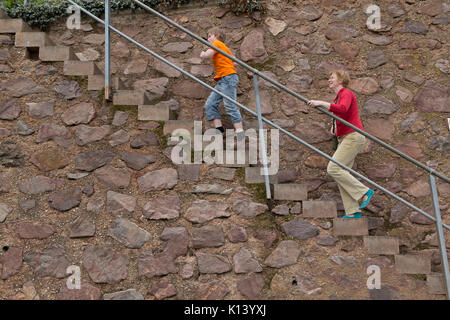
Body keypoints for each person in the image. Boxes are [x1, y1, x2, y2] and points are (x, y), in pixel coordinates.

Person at [307, 70, 374, 219]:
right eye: (329, 77)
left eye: (332, 78)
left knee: (333, 168)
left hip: (352, 137)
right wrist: (335, 128)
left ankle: (364, 192)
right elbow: (344, 114)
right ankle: (353, 212)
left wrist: (321, 103)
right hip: (346, 137)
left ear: (341, 80)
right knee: (342, 174)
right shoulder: (339, 97)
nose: (329, 80)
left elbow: (343, 109)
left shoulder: (346, 93)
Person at [200, 27, 244, 140]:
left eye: (210, 36)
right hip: (222, 80)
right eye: (208, 36)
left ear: (217, 36)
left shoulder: (217, 44)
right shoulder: (224, 48)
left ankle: (240, 132)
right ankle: (219, 130)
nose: (209, 38)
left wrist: (203, 54)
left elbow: (208, 55)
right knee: (210, 104)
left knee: (230, 106)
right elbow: (235, 62)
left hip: (227, 78)